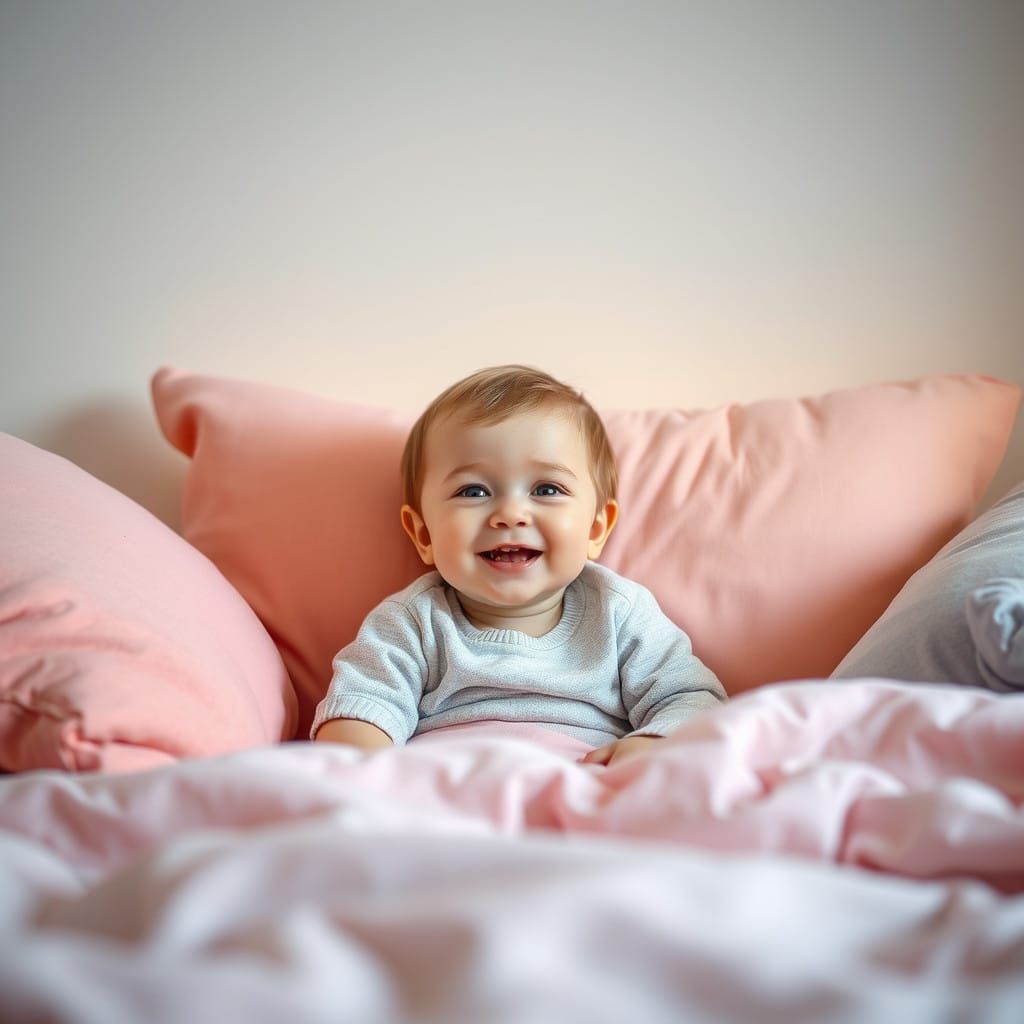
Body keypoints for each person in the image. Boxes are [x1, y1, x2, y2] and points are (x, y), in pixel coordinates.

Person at [312, 364, 726, 766]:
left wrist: (653, 743)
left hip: (583, 788)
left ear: (595, 528)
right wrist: (367, 773)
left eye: (547, 488)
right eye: (473, 491)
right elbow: (362, 710)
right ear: (424, 534)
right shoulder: (413, 622)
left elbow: (690, 698)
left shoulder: (619, 611)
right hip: (451, 797)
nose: (510, 513)